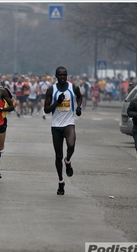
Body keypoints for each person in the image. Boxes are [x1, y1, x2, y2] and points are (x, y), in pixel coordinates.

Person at [44, 66, 83, 195]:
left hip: (69, 123)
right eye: (60, 75)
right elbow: (46, 109)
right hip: (56, 125)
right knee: (58, 156)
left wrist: (79, 107)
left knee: (71, 145)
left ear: (67, 75)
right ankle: (61, 181)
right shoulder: (51, 90)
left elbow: (79, 96)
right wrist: (57, 103)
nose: (62, 77)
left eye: (64, 75)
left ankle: (68, 161)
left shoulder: (73, 88)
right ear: (56, 76)